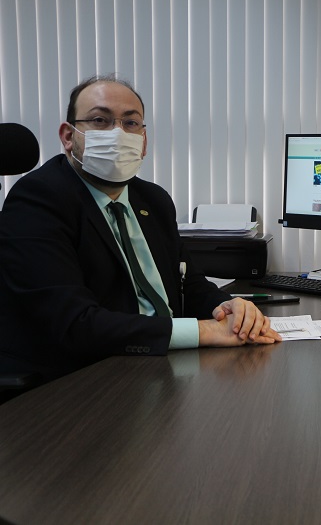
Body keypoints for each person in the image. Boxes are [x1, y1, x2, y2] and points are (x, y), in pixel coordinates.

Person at [0, 75, 282, 385]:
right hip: (82, 379)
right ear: (68, 137)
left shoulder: (153, 200)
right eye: (100, 120)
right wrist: (204, 331)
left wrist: (229, 309)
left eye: (131, 123)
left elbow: (189, 284)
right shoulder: (38, 200)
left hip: (164, 370)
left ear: (143, 141)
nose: (117, 133)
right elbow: (74, 323)